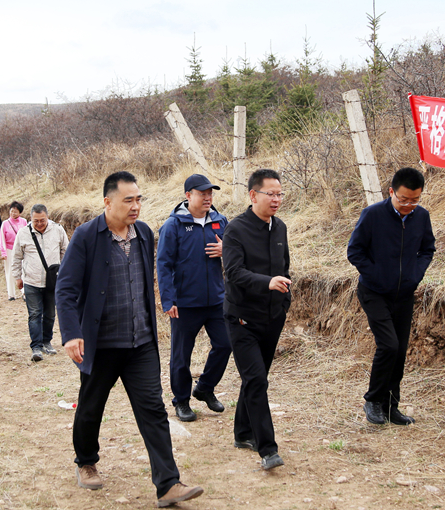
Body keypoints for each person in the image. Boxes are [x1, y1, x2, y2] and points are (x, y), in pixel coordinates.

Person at [55, 171, 203, 508]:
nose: (136, 206)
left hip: (141, 342)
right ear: (107, 202)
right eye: (128, 200)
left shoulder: (145, 233)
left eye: (139, 199)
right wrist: (72, 333)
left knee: (153, 410)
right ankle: (86, 462)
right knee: (91, 407)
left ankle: (168, 483)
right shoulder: (87, 236)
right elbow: (65, 288)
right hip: (101, 343)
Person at [347, 167, 436, 426]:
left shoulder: (422, 216)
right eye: (403, 199)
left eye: (415, 200)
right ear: (391, 192)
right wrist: (377, 276)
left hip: (404, 294)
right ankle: (373, 401)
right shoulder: (373, 214)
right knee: (389, 345)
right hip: (374, 291)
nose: (409, 205)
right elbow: (355, 251)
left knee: (399, 352)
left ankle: (390, 406)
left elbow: (427, 249)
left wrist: (414, 276)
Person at [222, 169, 291, 471]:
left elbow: (285, 267)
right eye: (270, 194)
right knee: (256, 380)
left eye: (279, 194)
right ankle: (268, 449)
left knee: (255, 377)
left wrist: (284, 301)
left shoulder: (280, 227)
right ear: (253, 195)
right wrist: (267, 282)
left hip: (273, 317)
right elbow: (234, 272)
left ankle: (242, 433)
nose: (276, 199)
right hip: (243, 318)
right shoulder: (235, 230)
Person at [157, 174, 231, 422]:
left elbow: (237, 252)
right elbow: (163, 264)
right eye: (202, 193)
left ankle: (205, 388)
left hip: (216, 301)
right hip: (185, 303)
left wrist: (226, 250)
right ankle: (181, 400)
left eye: (210, 193)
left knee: (225, 344)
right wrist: (168, 300)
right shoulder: (173, 225)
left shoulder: (220, 221)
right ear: (188, 195)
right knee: (181, 356)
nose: (208, 197)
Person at [11, 204, 69, 361]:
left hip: (52, 282)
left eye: (42, 220)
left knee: (50, 314)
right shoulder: (23, 233)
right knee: (35, 314)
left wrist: (63, 273)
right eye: (36, 221)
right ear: (30, 219)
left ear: (48, 217)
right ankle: (36, 347)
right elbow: (16, 257)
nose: (39, 224)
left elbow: (66, 252)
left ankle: (46, 342)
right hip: (31, 281)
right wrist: (17, 277)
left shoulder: (58, 230)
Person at [0, 201, 27, 300]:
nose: (13, 213)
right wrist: (3, 252)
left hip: (21, 249)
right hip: (9, 249)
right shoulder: (5, 223)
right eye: (12, 211)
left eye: (15, 211)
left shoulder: (24, 222)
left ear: (20, 212)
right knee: (10, 271)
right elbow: (2, 239)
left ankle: (24, 292)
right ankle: (11, 294)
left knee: (24, 270)